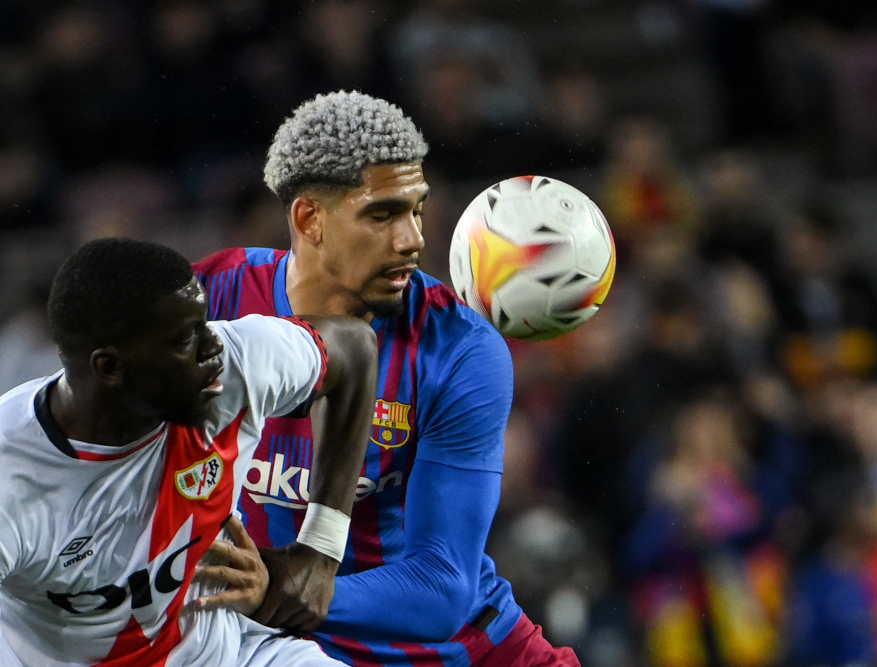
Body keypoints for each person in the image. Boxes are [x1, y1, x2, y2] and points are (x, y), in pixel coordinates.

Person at [193, 90, 581, 665]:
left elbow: (443, 585)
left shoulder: (460, 349)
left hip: (458, 650)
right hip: (283, 644)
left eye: (417, 210)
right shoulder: (215, 299)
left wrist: (275, 589)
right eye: (383, 215)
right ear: (309, 219)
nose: (413, 240)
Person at [0, 237, 378, 666]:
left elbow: (354, 346)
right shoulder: (12, 476)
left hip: (235, 654)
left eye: (205, 324)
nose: (213, 346)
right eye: (185, 339)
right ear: (109, 367)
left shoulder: (231, 370)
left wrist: (321, 548)